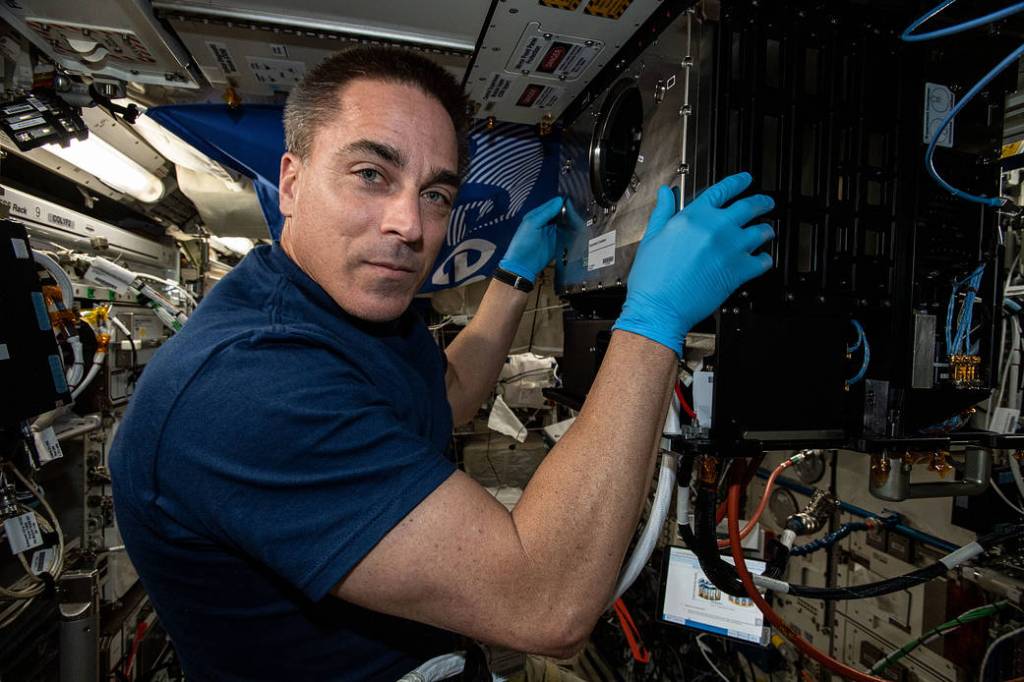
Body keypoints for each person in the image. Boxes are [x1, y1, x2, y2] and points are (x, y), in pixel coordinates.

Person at [109, 46, 775, 681]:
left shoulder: (337, 308)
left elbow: (443, 393)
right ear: (290, 180)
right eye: (372, 175)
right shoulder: (245, 387)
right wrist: (653, 321)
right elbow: (546, 603)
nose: (411, 224)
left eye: (436, 194)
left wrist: (514, 277)